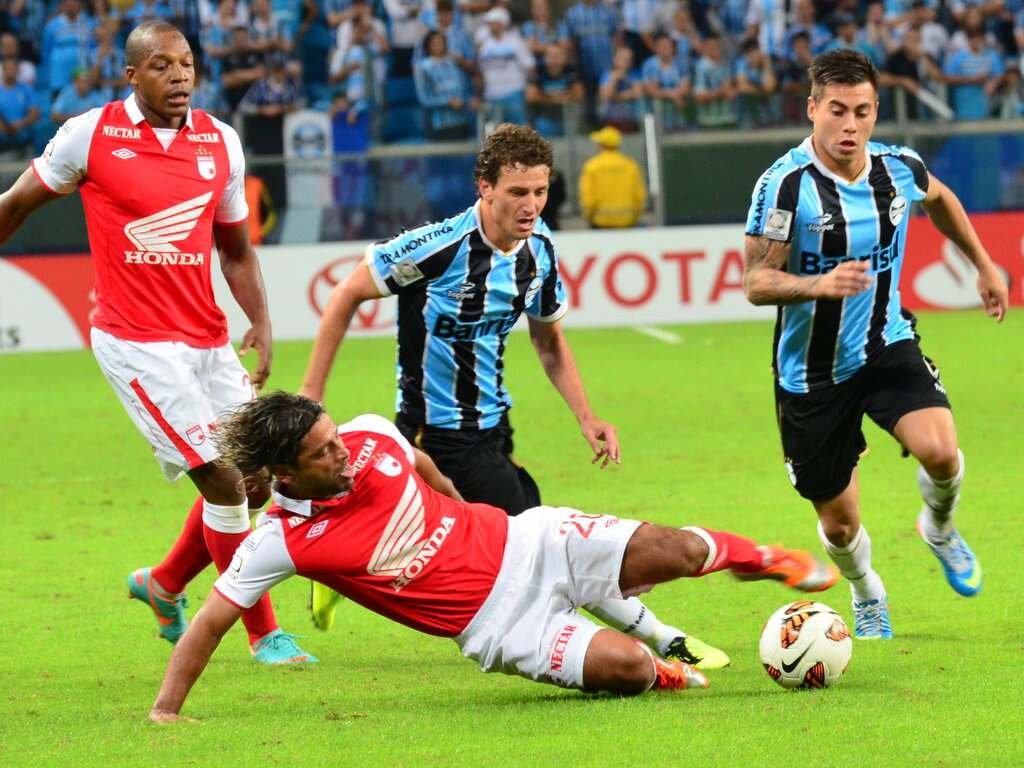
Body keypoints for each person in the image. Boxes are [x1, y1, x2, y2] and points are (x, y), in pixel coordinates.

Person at [300, 124, 727, 670]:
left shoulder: (540, 251)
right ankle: (665, 640)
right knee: (543, 542)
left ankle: (344, 553)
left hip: (495, 424)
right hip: (438, 428)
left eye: (540, 192)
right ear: (485, 187)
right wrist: (312, 396)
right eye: (518, 193)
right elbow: (345, 295)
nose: (531, 205)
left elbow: (548, 340)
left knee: (481, 541)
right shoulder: (437, 246)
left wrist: (586, 415)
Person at [147, 392, 840, 721]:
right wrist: (166, 714)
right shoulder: (279, 540)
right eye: (323, 453)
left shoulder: (365, 436)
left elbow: (410, 455)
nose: (343, 452)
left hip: (528, 541)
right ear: (288, 475)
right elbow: (208, 623)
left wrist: (451, 496)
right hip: (500, 629)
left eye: (336, 437)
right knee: (626, 673)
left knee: (681, 549)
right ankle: (656, 663)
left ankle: (761, 556)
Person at [0, 20, 313, 665]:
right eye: (164, 66)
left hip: (206, 337)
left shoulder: (222, 143)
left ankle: (165, 583)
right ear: (132, 74)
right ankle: (264, 635)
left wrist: (259, 319)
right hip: (136, 342)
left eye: (188, 65)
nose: (180, 77)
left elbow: (236, 248)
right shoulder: (91, 134)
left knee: (255, 482)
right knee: (224, 484)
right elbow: (17, 203)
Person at [741, 50, 1008, 639]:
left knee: (941, 450)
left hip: (886, 340)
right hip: (810, 374)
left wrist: (985, 266)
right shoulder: (785, 187)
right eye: (836, 111)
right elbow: (756, 282)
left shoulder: (897, 167)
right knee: (839, 524)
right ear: (812, 109)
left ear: (875, 111)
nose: (849, 125)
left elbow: (940, 200)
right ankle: (867, 590)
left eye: (862, 111)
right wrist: (817, 284)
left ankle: (938, 528)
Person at [579, 125, 646, 228]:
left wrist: (588, 217)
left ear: (601, 145)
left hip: (600, 222)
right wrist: (635, 218)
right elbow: (639, 196)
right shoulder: (630, 166)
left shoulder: (591, 167)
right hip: (627, 223)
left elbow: (588, 199)